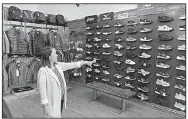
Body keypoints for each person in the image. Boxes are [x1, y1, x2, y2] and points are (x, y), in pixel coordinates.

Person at [37, 46, 96, 118]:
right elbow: (42, 90)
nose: (57, 55)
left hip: (60, 99)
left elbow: (72, 64)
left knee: (58, 115)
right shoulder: (43, 71)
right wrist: (45, 105)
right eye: (55, 53)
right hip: (51, 102)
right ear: (49, 57)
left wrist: (86, 62)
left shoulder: (58, 65)